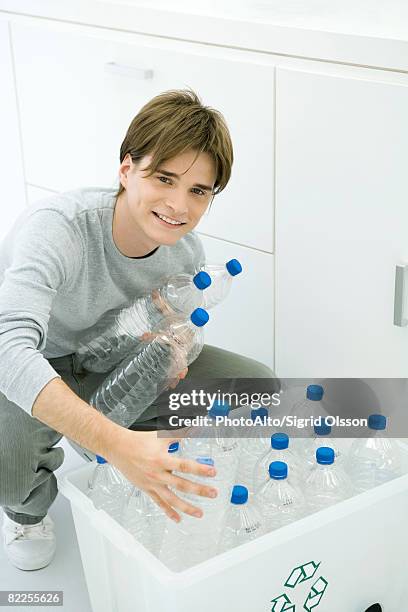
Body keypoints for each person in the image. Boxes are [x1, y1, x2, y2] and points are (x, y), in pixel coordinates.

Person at [0, 89, 278, 571]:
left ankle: (128, 453)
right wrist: (116, 442)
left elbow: (169, 326)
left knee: (256, 384)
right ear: (127, 170)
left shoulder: (186, 254)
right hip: (37, 362)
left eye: (198, 191)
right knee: (8, 466)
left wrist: (176, 347)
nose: (178, 205)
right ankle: (28, 511)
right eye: (164, 178)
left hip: (112, 363)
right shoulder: (59, 229)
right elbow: (8, 349)